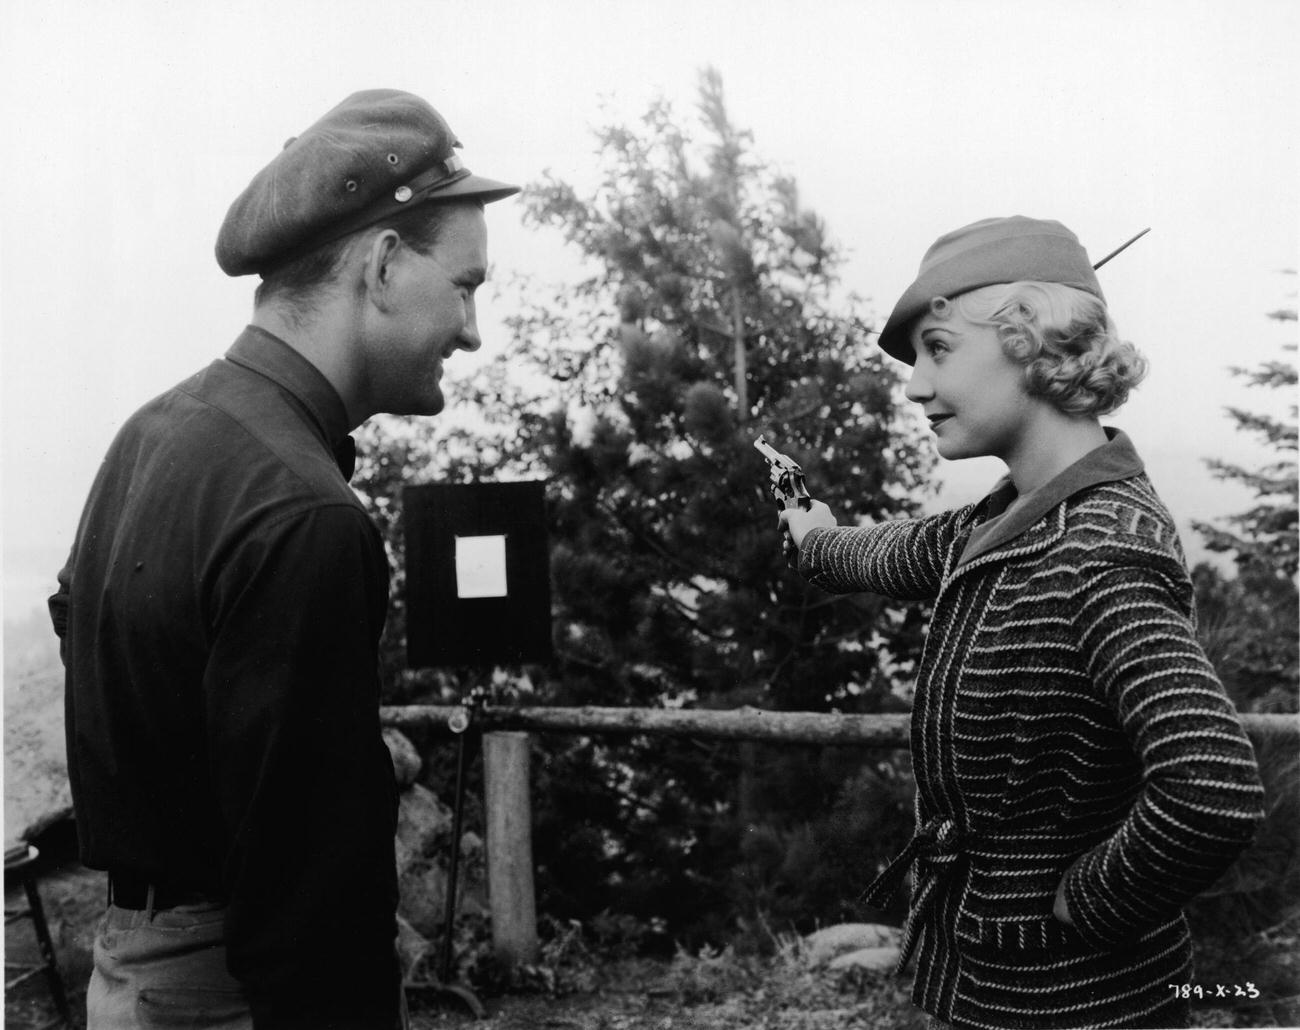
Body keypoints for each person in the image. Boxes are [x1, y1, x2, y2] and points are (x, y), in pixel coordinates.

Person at [48, 88, 518, 1029]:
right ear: (383, 265)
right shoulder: (304, 512)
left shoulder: (154, 434)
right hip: (231, 994)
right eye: (465, 287)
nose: (471, 331)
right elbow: (311, 900)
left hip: (131, 973)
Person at [780, 216, 1265, 1030]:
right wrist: (818, 542)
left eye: (938, 349)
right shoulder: (1009, 522)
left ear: (1029, 338)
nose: (912, 386)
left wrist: (1086, 906)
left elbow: (1210, 788)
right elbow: (903, 553)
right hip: (993, 989)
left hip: (1078, 1003)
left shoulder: (1102, 552)